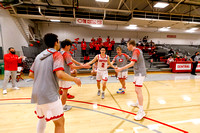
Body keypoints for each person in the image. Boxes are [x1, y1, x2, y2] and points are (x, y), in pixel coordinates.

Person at [29, 33, 81, 133]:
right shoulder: (57, 54)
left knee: (42, 118)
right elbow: (60, 74)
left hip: (37, 93)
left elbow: (31, 74)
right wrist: (74, 79)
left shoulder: (39, 56)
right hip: (49, 94)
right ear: (56, 42)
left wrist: (43, 78)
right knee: (60, 122)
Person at [115, 40, 146, 121]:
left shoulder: (136, 51)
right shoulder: (137, 50)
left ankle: (141, 111)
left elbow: (132, 63)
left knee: (138, 90)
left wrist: (121, 68)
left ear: (131, 45)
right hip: (137, 72)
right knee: (137, 90)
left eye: (128, 45)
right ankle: (137, 103)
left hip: (140, 73)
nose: (127, 47)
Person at [59, 39, 90, 111]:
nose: (70, 48)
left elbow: (71, 59)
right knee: (65, 91)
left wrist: (79, 64)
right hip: (65, 75)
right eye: (69, 46)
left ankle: (58, 105)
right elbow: (72, 67)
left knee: (59, 91)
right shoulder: (66, 54)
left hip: (58, 74)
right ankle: (62, 106)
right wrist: (83, 66)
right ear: (66, 46)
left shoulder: (58, 53)